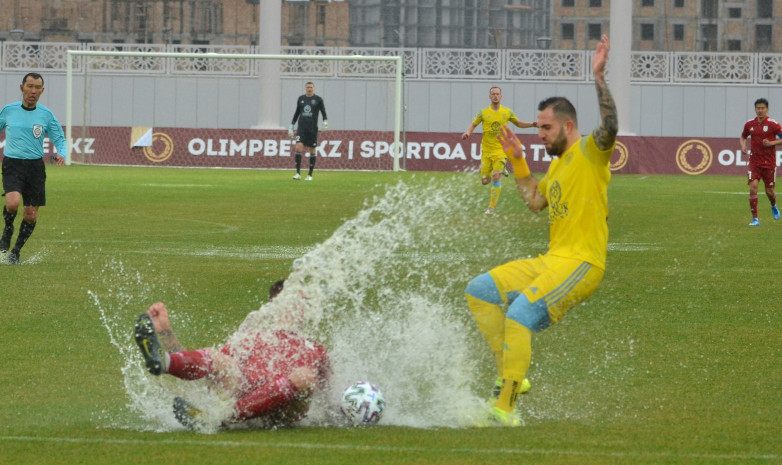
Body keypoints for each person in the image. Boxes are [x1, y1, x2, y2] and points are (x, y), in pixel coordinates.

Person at [464, 35, 617, 427]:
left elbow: (610, 125)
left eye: (546, 128)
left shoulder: (590, 152)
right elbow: (534, 200)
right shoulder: (557, 166)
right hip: (552, 261)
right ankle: (512, 377)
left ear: (568, 125)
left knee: (519, 315)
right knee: (479, 290)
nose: (540, 134)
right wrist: (517, 160)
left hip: (583, 263)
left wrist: (598, 76)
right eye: (539, 129)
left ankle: (506, 408)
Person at [133, 279, 332, 430]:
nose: (302, 307)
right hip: (239, 393)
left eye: (304, 303)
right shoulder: (251, 336)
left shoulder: (315, 348)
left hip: (281, 411)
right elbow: (205, 370)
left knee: (305, 376)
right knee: (218, 357)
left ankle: (220, 419)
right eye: (296, 301)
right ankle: (163, 362)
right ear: (274, 305)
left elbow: (326, 397)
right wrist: (166, 332)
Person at [0, 72, 67, 264]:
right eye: (29, 86)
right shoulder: (8, 111)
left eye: (37, 88)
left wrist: (61, 153)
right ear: (22, 88)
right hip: (13, 163)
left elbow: (59, 138)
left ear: (42, 91)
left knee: (30, 215)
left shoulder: (46, 115)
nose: (33, 91)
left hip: (35, 168)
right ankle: (7, 229)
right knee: (12, 203)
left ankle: (16, 251)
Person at [461, 86, 536, 215]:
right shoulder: (483, 112)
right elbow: (473, 124)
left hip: (501, 150)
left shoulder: (507, 112)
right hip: (486, 150)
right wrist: (468, 132)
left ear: (501, 96)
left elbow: (518, 123)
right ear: (490, 96)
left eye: (497, 94)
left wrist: (532, 124)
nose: (495, 96)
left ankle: (491, 207)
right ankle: (499, 169)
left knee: (496, 176)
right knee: (485, 181)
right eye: (493, 94)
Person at [740, 98, 782, 226]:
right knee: (753, 188)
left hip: (769, 162)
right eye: (758, 108)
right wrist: (743, 146)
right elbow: (743, 136)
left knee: (769, 191)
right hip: (754, 161)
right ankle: (755, 219)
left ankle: (773, 205)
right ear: (755, 109)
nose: (760, 110)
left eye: (762, 108)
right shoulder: (749, 124)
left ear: (767, 109)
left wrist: (771, 143)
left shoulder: (773, 124)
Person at [289, 82, 328, 181]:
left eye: (311, 87)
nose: (309, 89)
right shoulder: (301, 99)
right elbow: (297, 112)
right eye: (307, 87)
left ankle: (310, 174)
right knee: (298, 147)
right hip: (301, 128)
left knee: (312, 150)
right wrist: (292, 126)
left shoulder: (318, 100)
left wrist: (325, 123)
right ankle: (298, 173)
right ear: (305, 88)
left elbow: (323, 113)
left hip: (312, 129)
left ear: (314, 88)